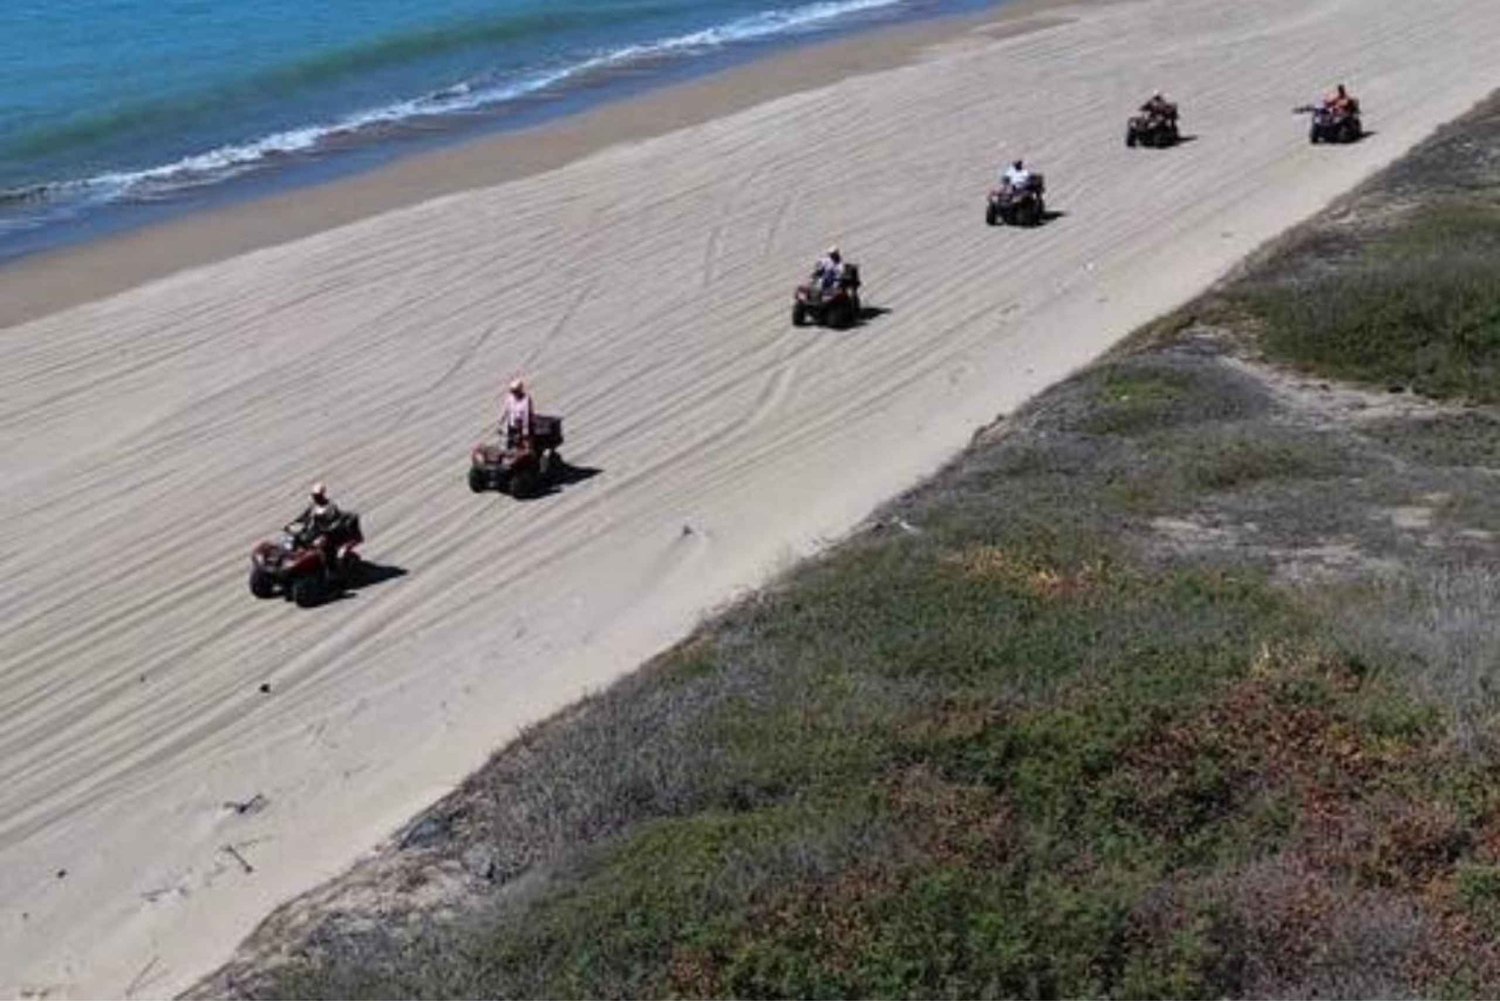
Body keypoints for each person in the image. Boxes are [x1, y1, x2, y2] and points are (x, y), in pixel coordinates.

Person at [294, 482, 342, 550]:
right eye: (314, 495)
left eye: (317, 496)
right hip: (312, 529)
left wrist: (326, 528)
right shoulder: (313, 504)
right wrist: (295, 522)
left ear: (322, 495)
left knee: (316, 546)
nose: (315, 497)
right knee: (297, 538)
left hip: (324, 532)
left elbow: (334, 520)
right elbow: (306, 514)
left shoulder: (330, 506)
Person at [502, 377, 534, 448]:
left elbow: (526, 415)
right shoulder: (510, 398)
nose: (513, 393)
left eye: (515, 391)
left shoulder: (526, 399)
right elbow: (506, 410)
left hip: (521, 426)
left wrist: (525, 429)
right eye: (512, 391)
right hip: (512, 425)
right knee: (510, 444)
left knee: (522, 446)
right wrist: (501, 423)